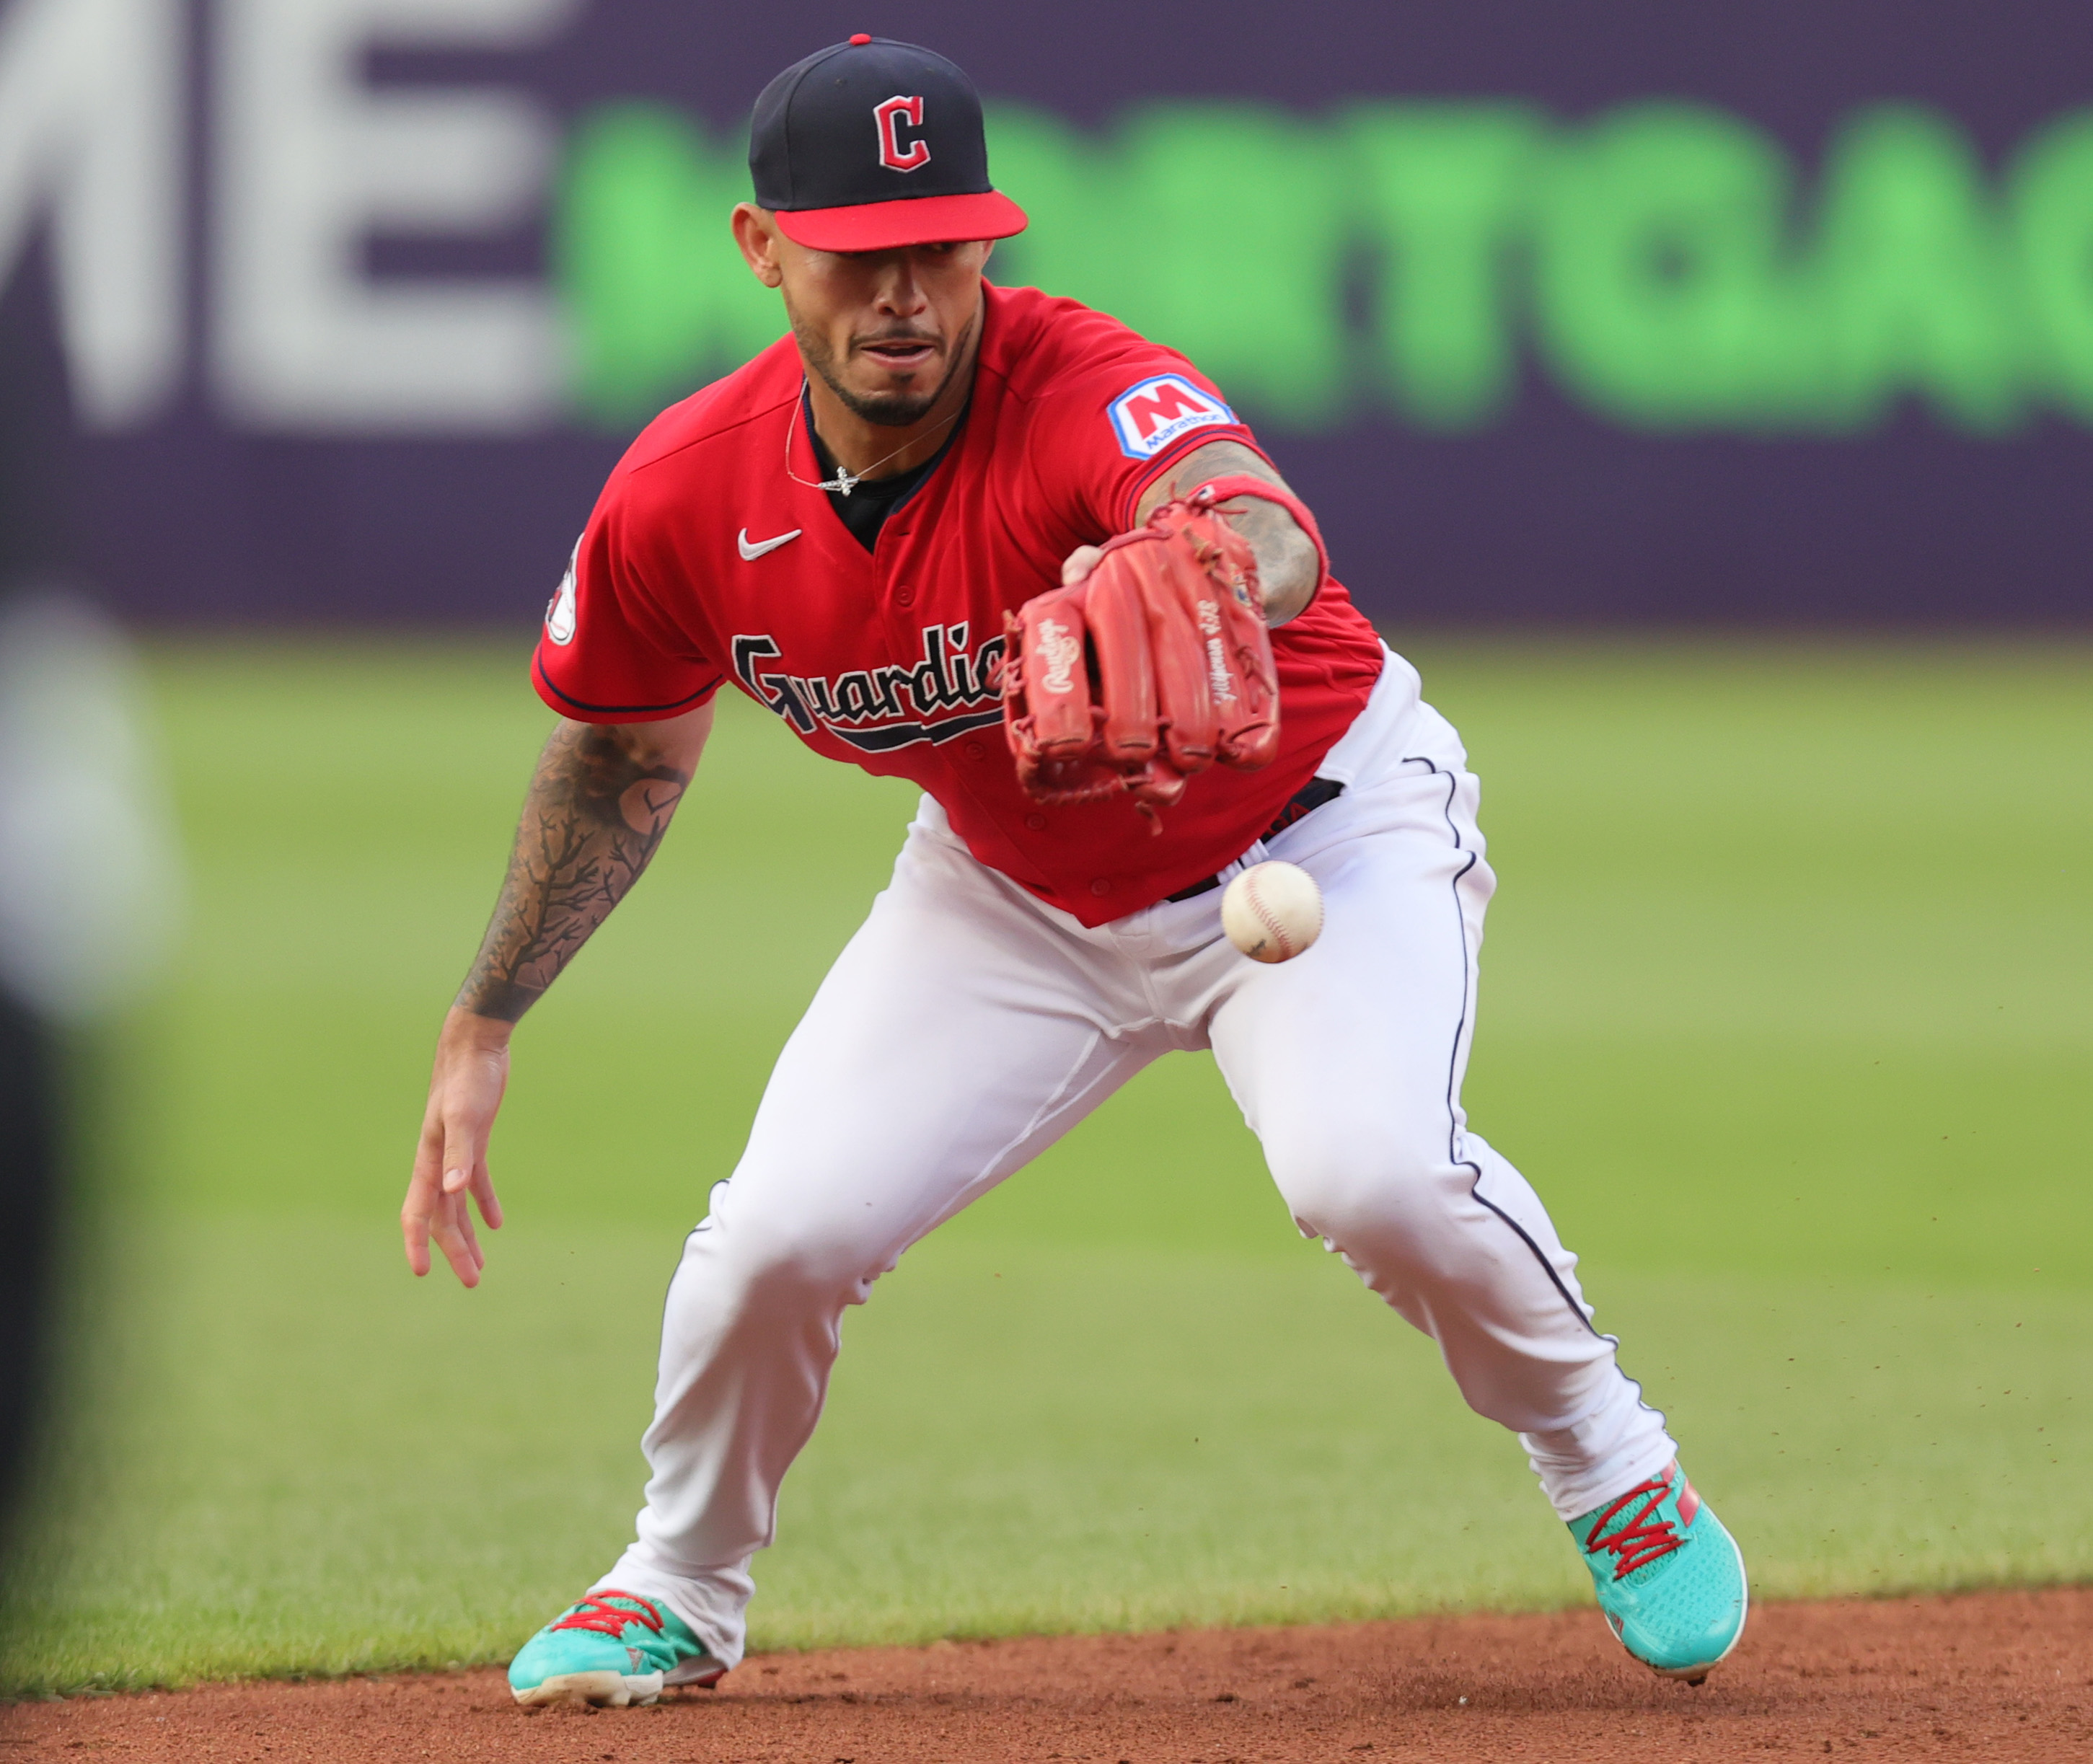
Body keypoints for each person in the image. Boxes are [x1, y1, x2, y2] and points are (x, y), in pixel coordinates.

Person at [400, 35, 1748, 1710]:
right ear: (763, 250)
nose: (907, 291)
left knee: (1372, 1175)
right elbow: (617, 753)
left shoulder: (1085, 387)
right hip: (1012, 895)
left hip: (1317, 832)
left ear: (989, 244)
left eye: (942, 245)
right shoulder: (685, 494)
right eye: (857, 249)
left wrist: (1195, 555)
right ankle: (671, 1583)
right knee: (776, 1239)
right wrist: (483, 1015)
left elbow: (1258, 520)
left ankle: (1614, 1469)